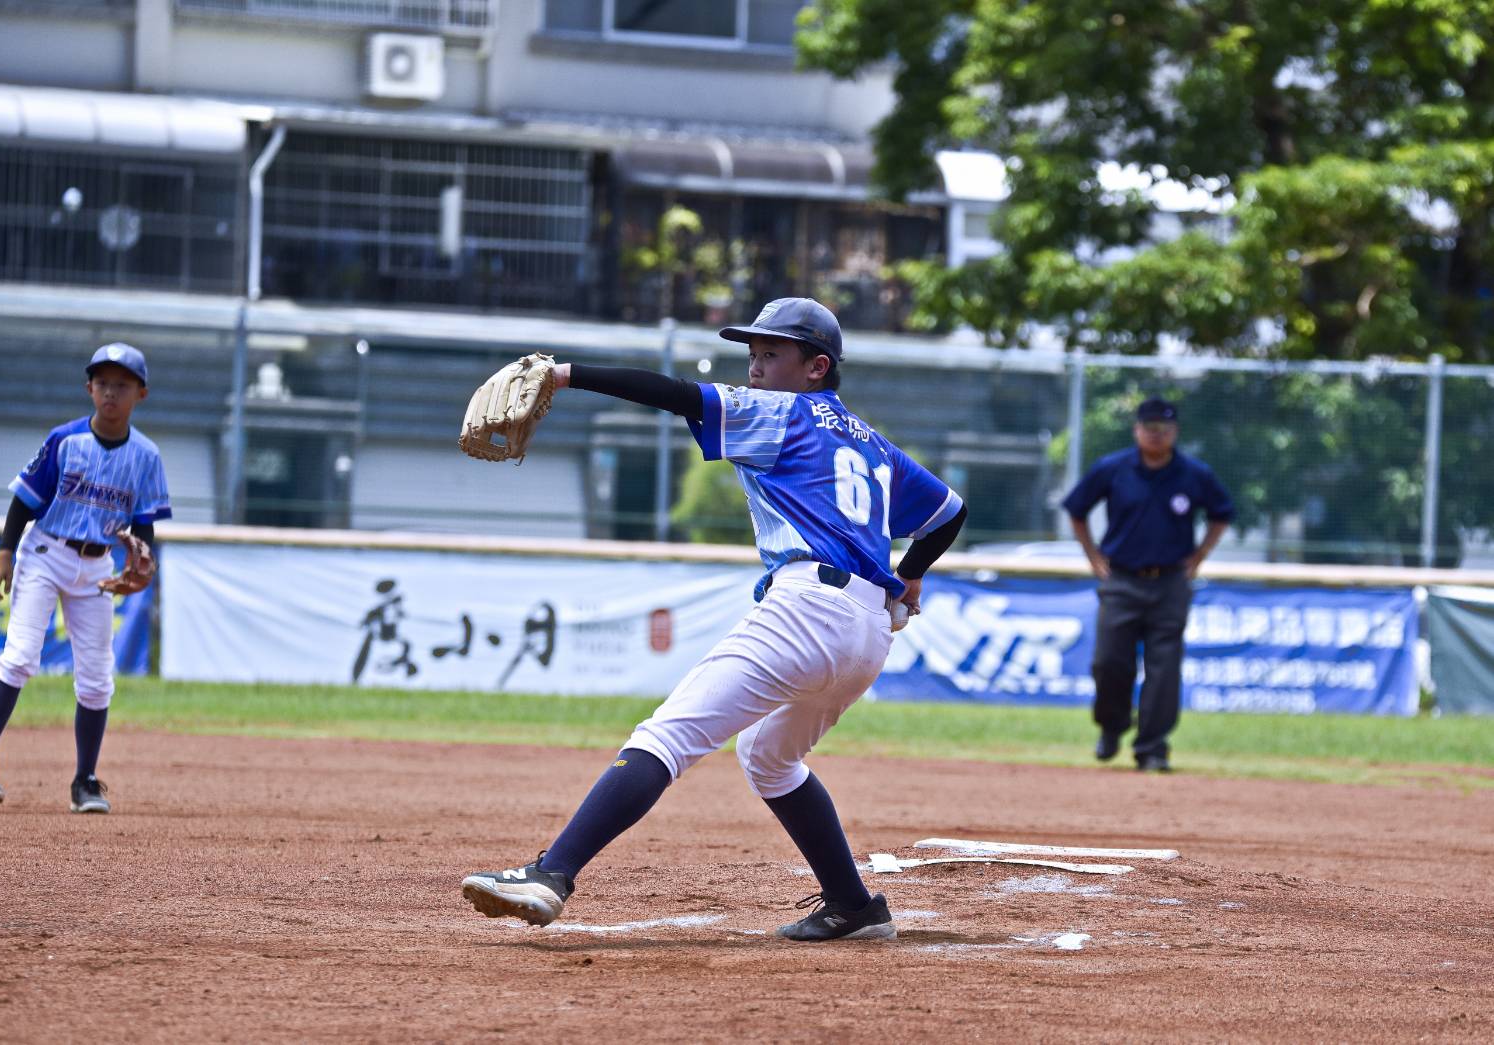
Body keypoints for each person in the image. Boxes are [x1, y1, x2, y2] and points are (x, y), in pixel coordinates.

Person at [461, 297, 966, 941]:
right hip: (868, 632)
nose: (755, 366)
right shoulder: (871, 441)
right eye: (751, 353)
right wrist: (913, 571)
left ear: (817, 367)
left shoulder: (781, 413)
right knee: (769, 757)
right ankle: (854, 905)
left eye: (772, 353)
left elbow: (676, 395)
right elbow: (949, 512)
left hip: (807, 610)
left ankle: (551, 873)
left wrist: (564, 374)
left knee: (666, 736)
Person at [0, 343, 172, 813]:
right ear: (89, 388)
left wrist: (141, 559)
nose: (111, 392)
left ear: (141, 393)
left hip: (97, 567)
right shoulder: (65, 440)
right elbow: (24, 501)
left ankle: (85, 781)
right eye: (103, 382)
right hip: (46, 553)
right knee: (20, 657)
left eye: (123, 384)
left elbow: (144, 524)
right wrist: (4, 556)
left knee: (96, 680)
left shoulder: (147, 456)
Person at [1062, 396, 1234, 773]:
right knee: (1109, 662)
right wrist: (1094, 558)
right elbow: (1076, 510)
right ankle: (1112, 725)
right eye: (1149, 428)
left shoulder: (1194, 473)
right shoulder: (1113, 468)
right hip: (1121, 579)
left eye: (1164, 429)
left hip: (1171, 582)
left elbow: (1222, 513)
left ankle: (1153, 747)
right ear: (1137, 429)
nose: (1156, 436)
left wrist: (1199, 555)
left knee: (1164, 667)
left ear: (1175, 433)